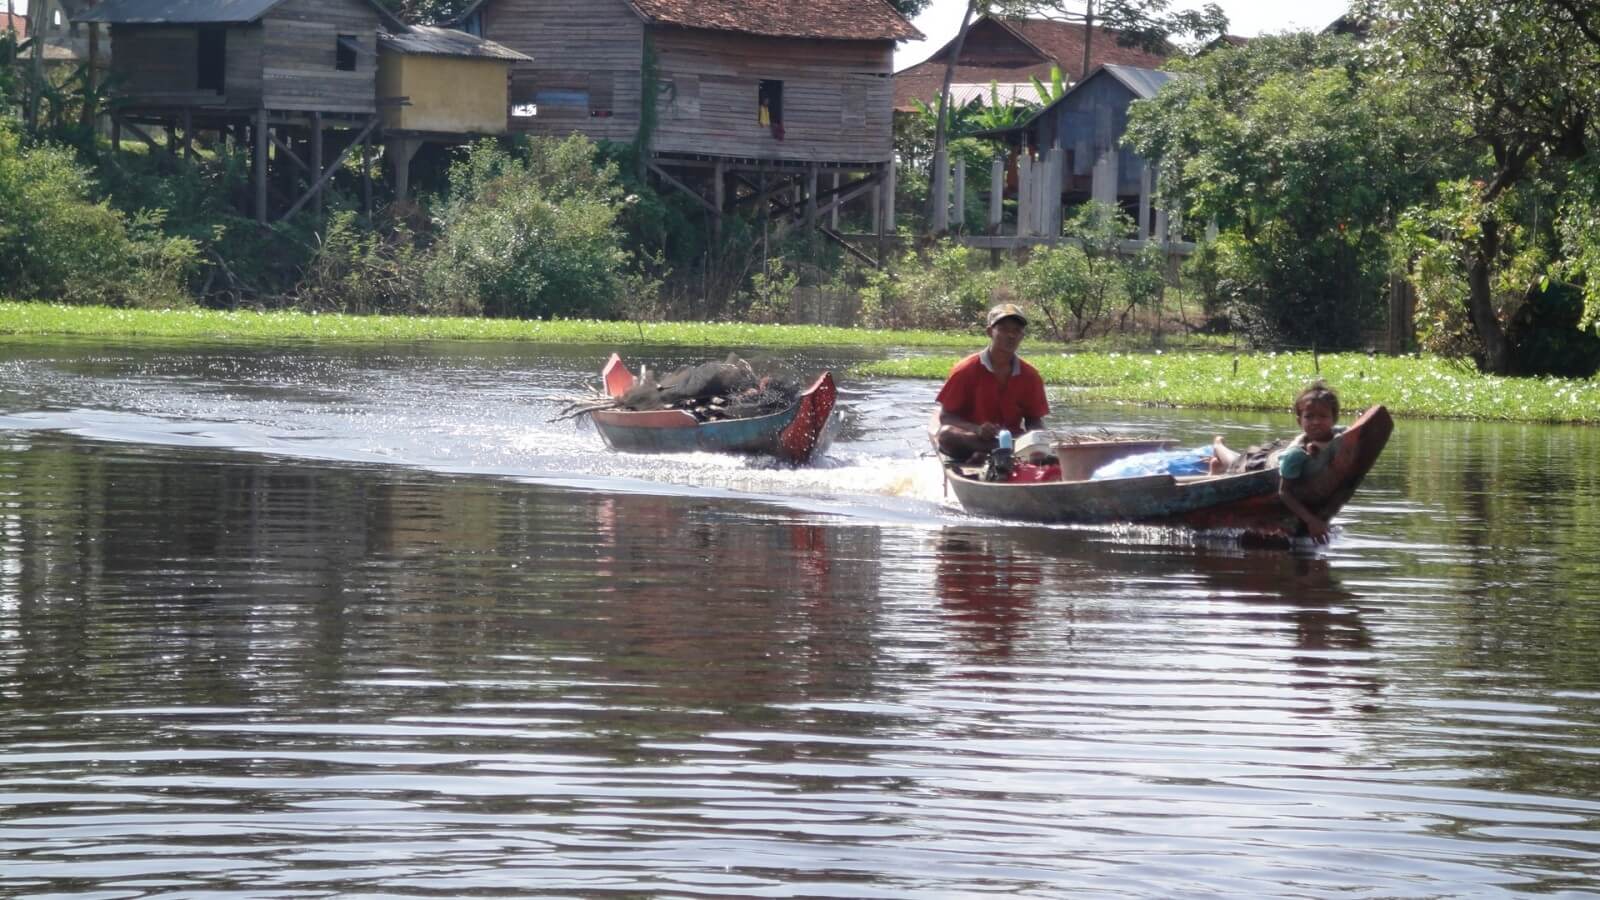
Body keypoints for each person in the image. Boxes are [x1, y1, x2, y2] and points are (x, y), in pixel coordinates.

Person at [1211, 380, 1345, 541]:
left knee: (1236, 460)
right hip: (1259, 465)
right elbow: (1284, 492)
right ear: (1299, 421)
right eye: (1309, 417)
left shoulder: (1338, 436)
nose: (1316, 421)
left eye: (1323, 416)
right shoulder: (1296, 455)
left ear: (1334, 419)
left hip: (1279, 453)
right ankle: (1218, 446)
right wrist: (1311, 520)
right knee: (1234, 462)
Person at [930, 303, 1050, 462]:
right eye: (1004, 329)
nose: (1011, 336)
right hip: (975, 440)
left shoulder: (1030, 375)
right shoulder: (965, 370)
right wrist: (977, 429)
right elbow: (946, 416)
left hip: (1013, 441)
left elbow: (1034, 419)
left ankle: (1001, 454)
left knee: (1038, 442)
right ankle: (994, 454)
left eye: (1016, 331)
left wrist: (1039, 440)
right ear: (990, 332)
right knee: (946, 435)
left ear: (1022, 335)